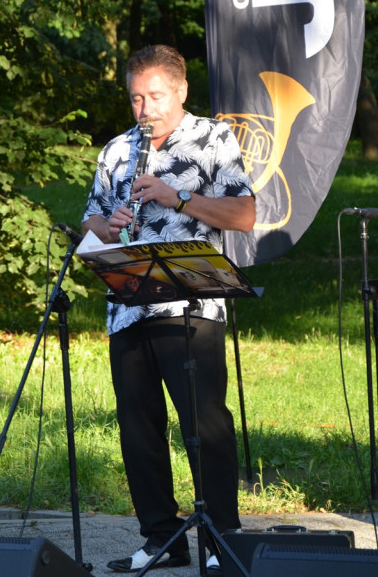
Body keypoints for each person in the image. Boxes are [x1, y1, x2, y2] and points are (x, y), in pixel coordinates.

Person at [81, 45, 255, 574]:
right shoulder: (115, 149)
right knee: (137, 428)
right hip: (129, 306)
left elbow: (244, 215)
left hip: (191, 306)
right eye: (136, 97)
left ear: (180, 91)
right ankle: (162, 536)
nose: (145, 108)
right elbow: (90, 219)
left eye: (155, 96)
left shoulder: (213, 139)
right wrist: (106, 227)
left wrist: (174, 197)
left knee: (205, 424)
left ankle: (221, 537)